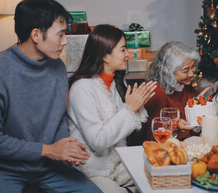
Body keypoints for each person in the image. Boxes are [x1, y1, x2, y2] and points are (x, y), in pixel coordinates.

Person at [0, 0, 102, 192]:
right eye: (61, 35)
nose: (65, 42)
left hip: (50, 168)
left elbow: (59, 117)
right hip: (4, 170)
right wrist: (50, 150)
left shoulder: (57, 67)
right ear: (36, 35)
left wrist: (66, 147)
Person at [67, 24, 156, 193]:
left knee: (157, 177)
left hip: (118, 164)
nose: (128, 55)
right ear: (105, 55)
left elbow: (121, 130)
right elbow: (98, 141)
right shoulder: (82, 88)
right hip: (93, 169)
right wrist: (129, 110)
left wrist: (135, 109)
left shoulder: (115, 83)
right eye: (123, 50)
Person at [144, 41, 208, 141]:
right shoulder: (156, 92)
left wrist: (198, 113)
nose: (191, 74)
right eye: (185, 70)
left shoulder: (187, 87)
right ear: (168, 71)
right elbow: (153, 137)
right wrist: (175, 128)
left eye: (193, 67)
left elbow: (193, 131)